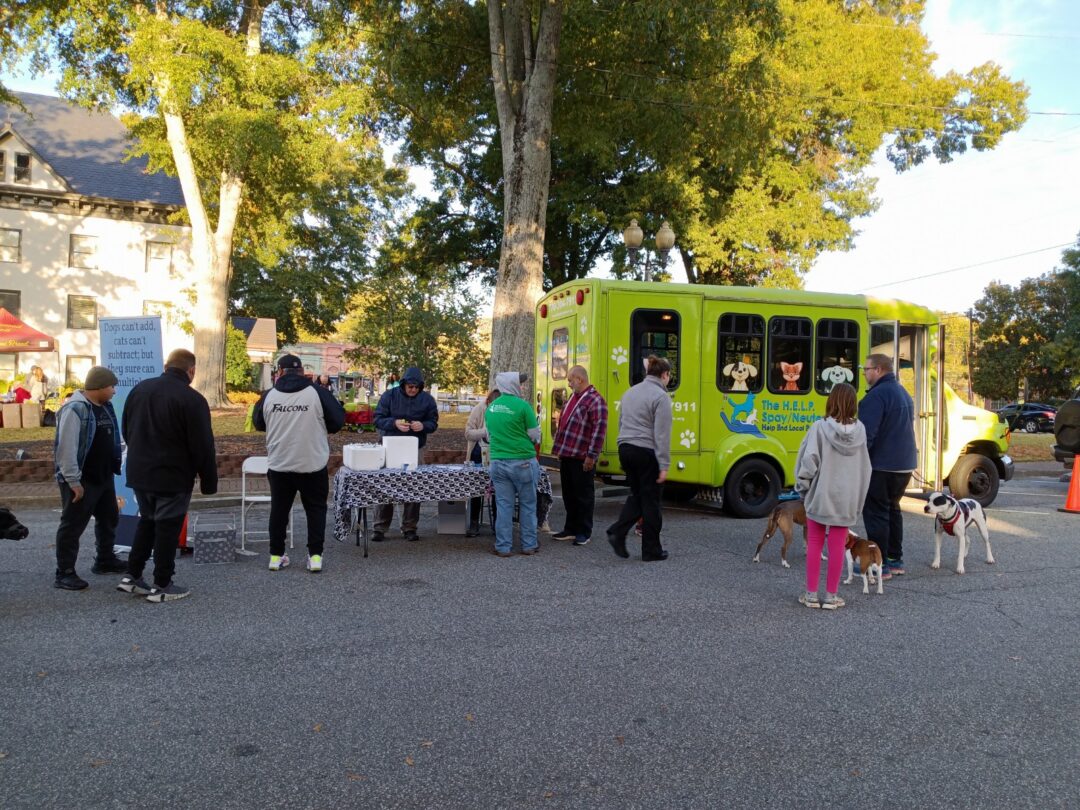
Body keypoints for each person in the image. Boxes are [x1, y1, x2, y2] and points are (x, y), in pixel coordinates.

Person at [118, 349, 218, 602]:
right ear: (191, 370)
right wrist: (208, 481)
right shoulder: (192, 399)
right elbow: (202, 445)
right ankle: (162, 583)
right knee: (167, 527)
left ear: (166, 366)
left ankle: (132, 574)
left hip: (140, 470)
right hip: (172, 473)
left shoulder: (140, 390)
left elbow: (126, 428)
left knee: (147, 521)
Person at [252, 354, 345, 572]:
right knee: (316, 509)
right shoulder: (318, 393)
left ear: (279, 372)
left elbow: (258, 423)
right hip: (312, 461)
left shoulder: (269, 395)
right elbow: (338, 421)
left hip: (280, 462)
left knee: (279, 510)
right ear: (302, 371)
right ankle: (315, 556)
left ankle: (276, 555)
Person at [793, 383, 872, 610]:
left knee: (815, 543)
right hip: (847, 498)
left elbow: (809, 461)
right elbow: (865, 468)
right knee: (838, 545)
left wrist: (802, 487)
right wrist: (859, 498)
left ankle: (811, 595)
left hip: (821, 493)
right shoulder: (861, 430)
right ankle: (831, 596)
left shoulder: (819, 427)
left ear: (831, 401)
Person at [51, 366, 125, 590]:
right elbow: (66, 448)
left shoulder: (105, 406)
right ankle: (64, 573)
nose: (114, 391)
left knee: (108, 518)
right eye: (111, 387)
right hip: (82, 479)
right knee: (72, 525)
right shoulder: (75, 409)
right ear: (99, 387)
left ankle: (104, 560)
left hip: (103, 476)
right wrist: (73, 481)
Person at [606, 355, 673, 562]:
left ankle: (618, 532)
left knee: (638, 496)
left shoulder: (630, 392)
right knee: (651, 501)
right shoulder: (661, 397)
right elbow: (661, 434)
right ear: (665, 374)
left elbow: (621, 423)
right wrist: (664, 464)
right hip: (646, 451)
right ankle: (651, 550)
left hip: (625, 448)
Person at [858, 353, 918, 580]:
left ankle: (878, 565)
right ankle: (895, 560)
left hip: (882, 465)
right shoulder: (903, 392)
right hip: (905, 464)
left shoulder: (876, 396)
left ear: (878, 369)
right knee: (893, 509)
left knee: (876, 513)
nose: (864, 374)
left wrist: (857, 462)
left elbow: (866, 435)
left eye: (866, 369)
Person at [372, 366, 439, 541]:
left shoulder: (427, 400)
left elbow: (433, 422)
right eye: (410, 386)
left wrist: (423, 426)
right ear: (403, 384)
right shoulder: (389, 396)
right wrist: (394, 423)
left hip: (415, 447)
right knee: (386, 484)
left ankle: (410, 527)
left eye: (416, 387)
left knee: (413, 486)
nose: (413, 390)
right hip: (389, 446)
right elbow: (377, 419)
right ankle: (380, 527)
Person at [485, 372, 542, 556]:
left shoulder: (491, 408)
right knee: (528, 505)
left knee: (504, 506)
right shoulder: (523, 406)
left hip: (498, 462)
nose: (522, 386)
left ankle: (503, 546)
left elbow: (488, 436)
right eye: (520, 383)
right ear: (512, 385)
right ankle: (529, 545)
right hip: (523, 461)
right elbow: (535, 435)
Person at [551, 365, 607, 546]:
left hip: (582, 456)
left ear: (579, 379)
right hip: (567, 454)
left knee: (583, 496)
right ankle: (571, 528)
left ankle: (584, 531)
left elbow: (599, 431)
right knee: (569, 494)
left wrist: (592, 456)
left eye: (570, 380)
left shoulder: (595, 400)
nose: (568, 384)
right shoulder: (572, 398)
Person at [464, 388, 501, 537]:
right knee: (476, 490)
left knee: (498, 490)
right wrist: (485, 432)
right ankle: (474, 523)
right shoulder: (479, 409)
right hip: (478, 455)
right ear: (488, 402)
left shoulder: (503, 411)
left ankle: (498, 524)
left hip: (497, 456)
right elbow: (468, 433)